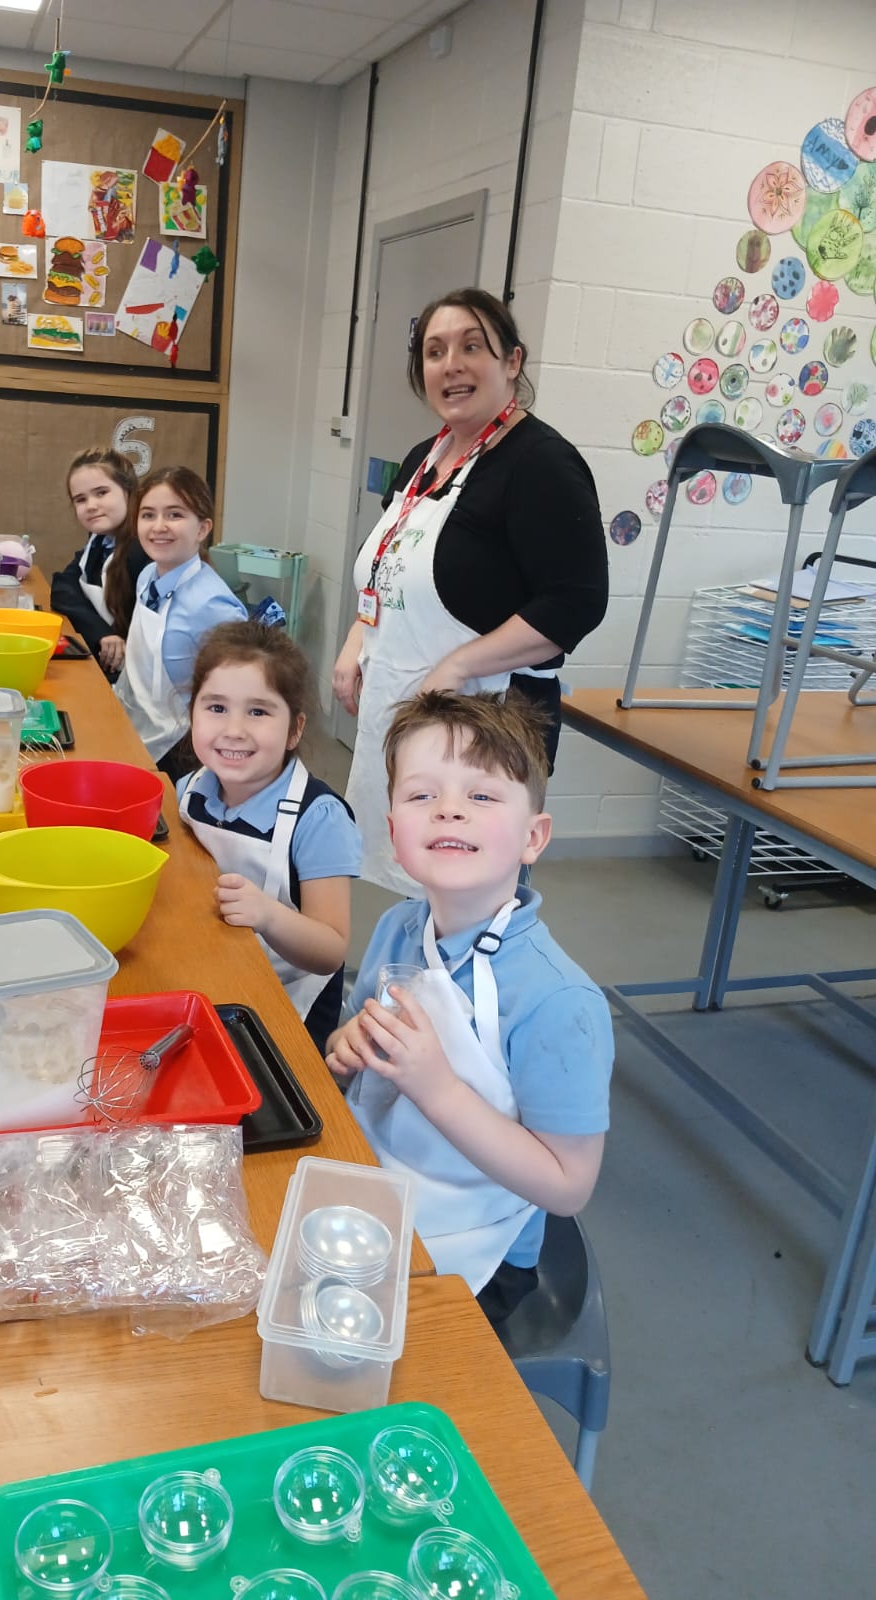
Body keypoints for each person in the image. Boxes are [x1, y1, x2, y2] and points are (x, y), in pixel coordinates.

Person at [326, 690, 613, 1325]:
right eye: (422, 795)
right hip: (375, 1182)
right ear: (394, 831)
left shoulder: (558, 1003)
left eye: (481, 796)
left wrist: (438, 1090)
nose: (449, 810)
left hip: (479, 1248)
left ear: (533, 837)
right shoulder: (399, 928)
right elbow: (357, 1047)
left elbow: (567, 1187)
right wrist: (348, 1046)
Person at [332, 288, 608, 893]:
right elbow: (391, 569)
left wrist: (460, 664)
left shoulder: (541, 463)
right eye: (435, 352)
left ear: (512, 360)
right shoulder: (423, 458)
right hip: (403, 712)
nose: (451, 365)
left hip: (489, 722)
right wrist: (357, 639)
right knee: (415, 884)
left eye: (471, 347)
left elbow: (575, 601)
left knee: (470, 895)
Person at [177, 621, 362, 1054]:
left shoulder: (319, 819)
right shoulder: (191, 789)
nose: (234, 729)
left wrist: (268, 915)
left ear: (295, 730)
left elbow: (331, 949)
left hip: (285, 1017)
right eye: (216, 707)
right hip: (213, 980)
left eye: (258, 712)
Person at [115, 466, 247, 779]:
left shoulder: (214, 605)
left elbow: (239, 693)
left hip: (185, 749)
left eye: (174, 515)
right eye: (148, 515)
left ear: (202, 529)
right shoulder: (148, 576)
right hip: (136, 724)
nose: (158, 526)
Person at [50, 447, 149, 679]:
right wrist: (102, 633)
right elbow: (64, 587)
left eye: (101, 493)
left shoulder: (144, 550)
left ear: (128, 491)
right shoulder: (99, 542)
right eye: (80, 499)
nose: (91, 505)